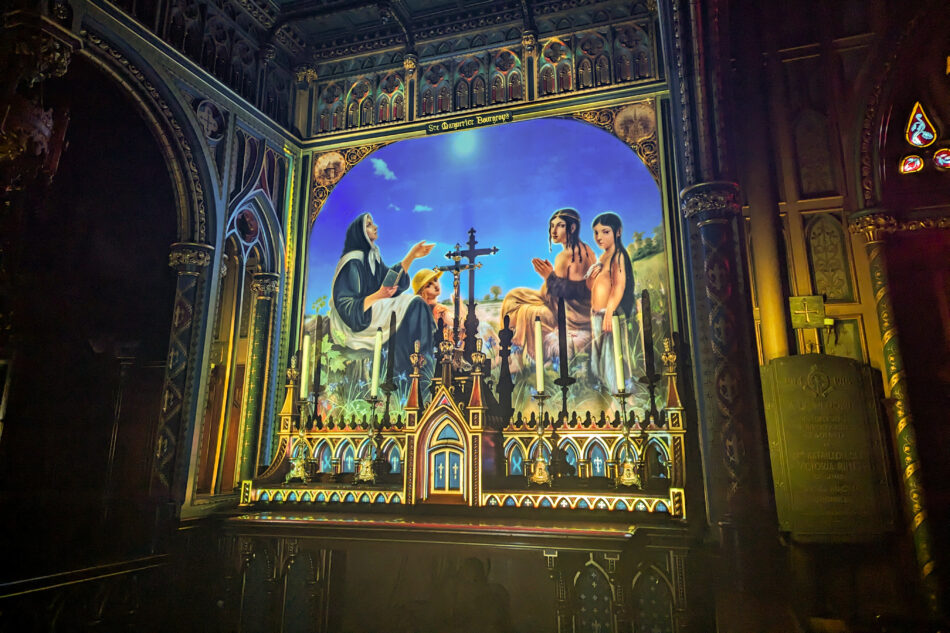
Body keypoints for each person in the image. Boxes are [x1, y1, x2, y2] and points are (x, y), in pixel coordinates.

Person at [329, 213, 436, 381]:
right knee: (414, 305)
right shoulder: (352, 262)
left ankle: (422, 370)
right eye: (369, 225)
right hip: (357, 321)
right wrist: (378, 295)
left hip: (373, 310)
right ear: (360, 233)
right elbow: (346, 306)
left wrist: (412, 256)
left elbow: (389, 279)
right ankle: (418, 375)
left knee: (414, 304)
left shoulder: (372, 257)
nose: (375, 227)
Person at [500, 208, 596, 367]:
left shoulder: (570, 255)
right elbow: (565, 287)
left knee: (526, 310)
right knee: (514, 295)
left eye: (560, 226)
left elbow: (575, 294)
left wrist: (549, 277)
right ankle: (510, 350)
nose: (554, 230)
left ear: (572, 228)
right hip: (562, 304)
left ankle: (517, 355)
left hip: (573, 316)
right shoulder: (581, 249)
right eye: (552, 226)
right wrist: (551, 276)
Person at [586, 212, 635, 392]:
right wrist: (591, 279)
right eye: (596, 232)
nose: (599, 237)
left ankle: (618, 389)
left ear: (618, 232)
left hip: (611, 314)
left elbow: (619, 286)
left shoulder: (618, 256)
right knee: (598, 351)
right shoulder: (603, 257)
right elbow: (594, 286)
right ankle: (603, 385)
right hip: (597, 314)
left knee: (612, 352)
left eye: (605, 232)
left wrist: (609, 312)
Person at [412, 268, 466, 345]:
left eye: (435, 280)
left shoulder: (421, 310)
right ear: (422, 292)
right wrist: (459, 303)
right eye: (428, 285)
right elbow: (463, 324)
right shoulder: (438, 310)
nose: (435, 285)